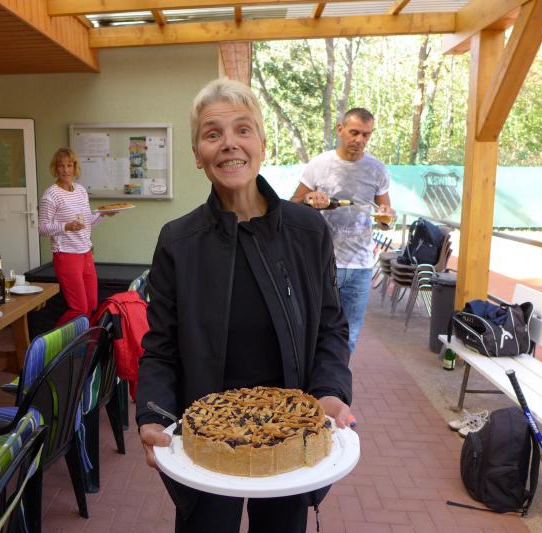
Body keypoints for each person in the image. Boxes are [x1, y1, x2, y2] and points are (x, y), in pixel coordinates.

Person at [136, 78, 353, 533]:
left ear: (262, 144)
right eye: (212, 134)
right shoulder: (178, 242)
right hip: (207, 438)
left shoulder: (308, 232)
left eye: (243, 129)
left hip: (290, 433)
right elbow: (160, 347)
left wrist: (330, 391)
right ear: (198, 154)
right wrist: (154, 415)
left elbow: (330, 327)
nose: (229, 143)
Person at [291, 108, 394, 355]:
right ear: (340, 130)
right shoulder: (319, 164)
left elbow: (385, 219)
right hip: (322, 262)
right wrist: (310, 199)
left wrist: (387, 217)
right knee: (314, 329)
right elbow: (293, 205)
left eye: (366, 135)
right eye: (354, 132)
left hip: (360, 267)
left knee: (349, 335)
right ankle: (310, 378)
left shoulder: (377, 169)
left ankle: (337, 379)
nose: (359, 140)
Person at [38, 147, 115, 325]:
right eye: (61, 165)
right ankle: (54, 339)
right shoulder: (50, 195)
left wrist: (103, 214)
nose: (65, 170)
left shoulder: (80, 190)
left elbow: (87, 222)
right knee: (79, 309)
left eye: (69, 165)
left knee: (92, 305)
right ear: (55, 168)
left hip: (86, 253)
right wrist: (66, 226)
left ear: (75, 167)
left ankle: (82, 341)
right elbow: (42, 229)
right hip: (66, 255)